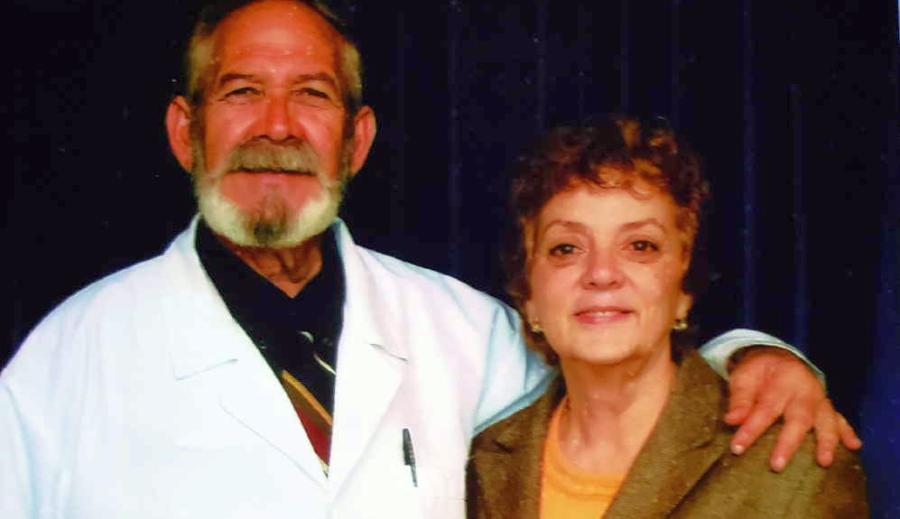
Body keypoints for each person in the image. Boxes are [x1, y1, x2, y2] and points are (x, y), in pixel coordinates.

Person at [0, 2, 858, 519]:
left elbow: (609, 357)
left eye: (312, 95)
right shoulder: (61, 366)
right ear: (185, 131)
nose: (277, 126)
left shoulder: (462, 330)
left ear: (356, 140)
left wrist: (754, 356)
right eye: (242, 92)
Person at [465, 116, 868, 518]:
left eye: (640, 246)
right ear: (529, 295)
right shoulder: (481, 468)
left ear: (685, 288)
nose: (601, 274)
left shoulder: (794, 469)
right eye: (566, 249)